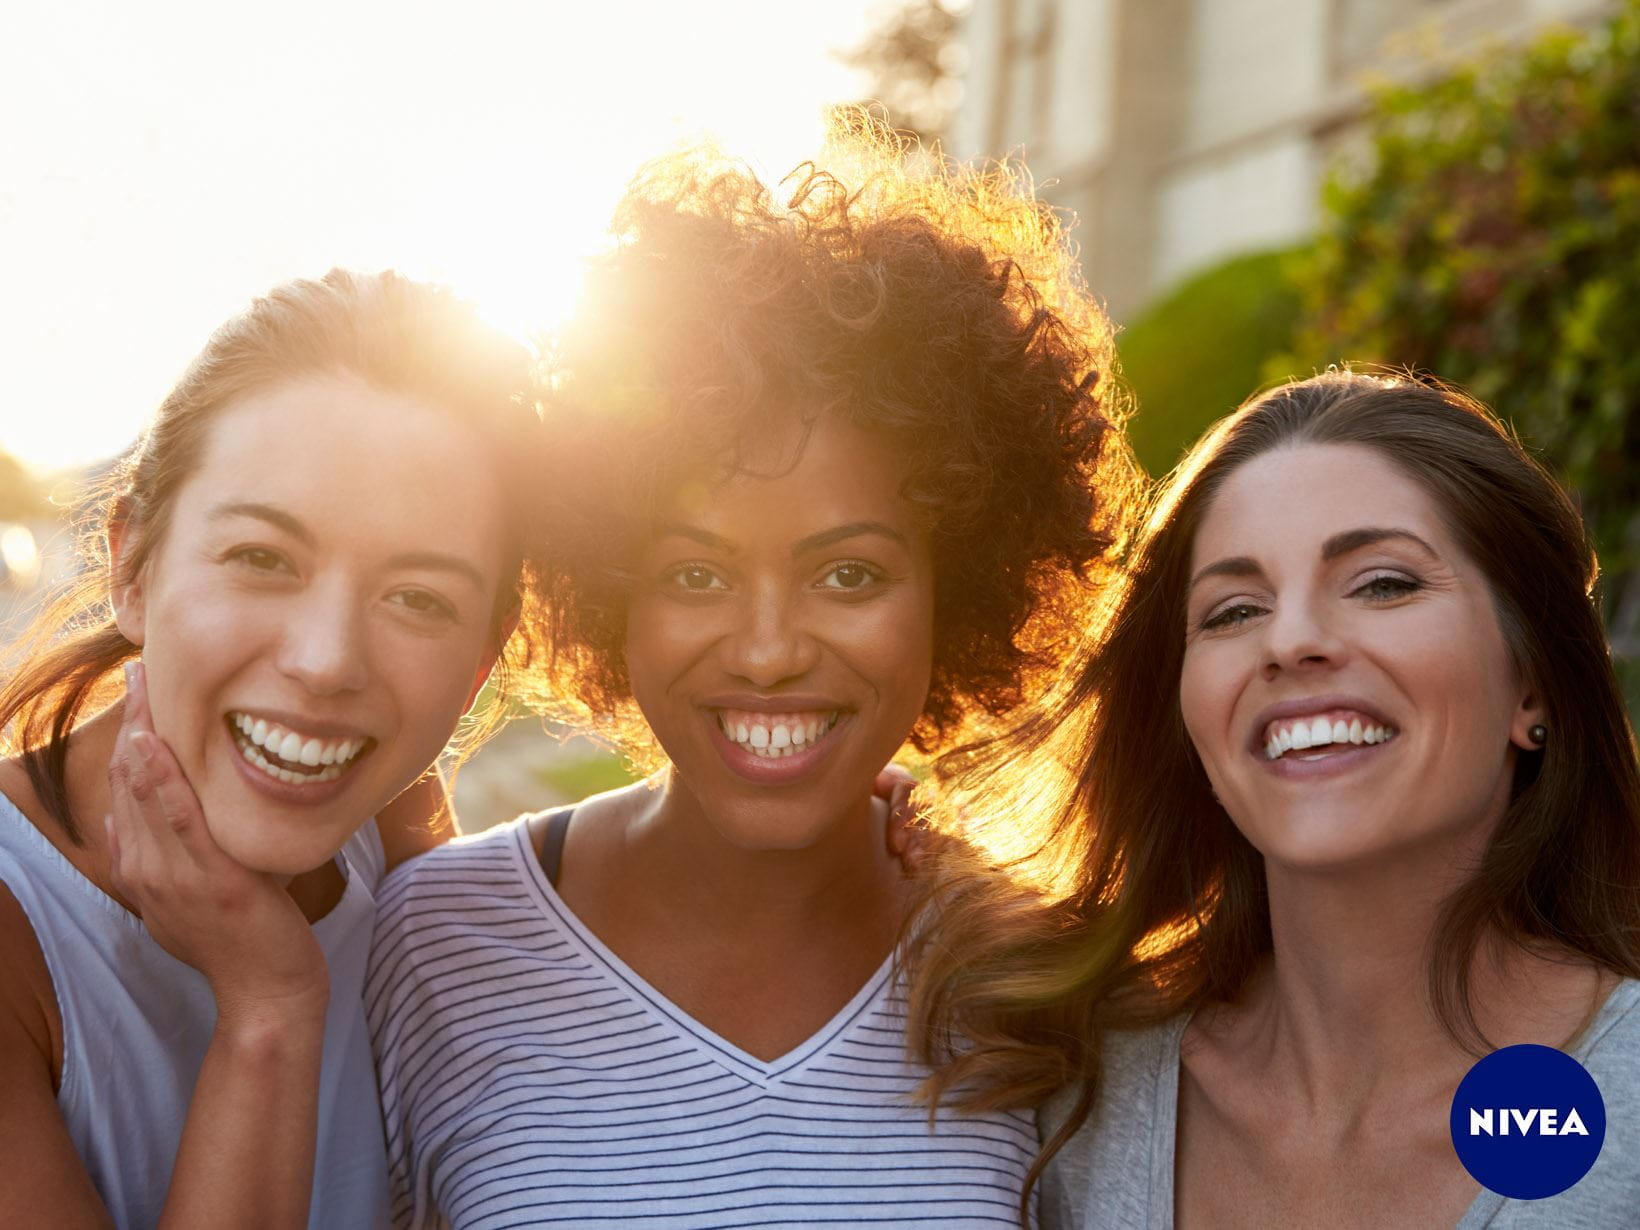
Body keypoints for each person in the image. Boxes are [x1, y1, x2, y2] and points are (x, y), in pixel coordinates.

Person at [364, 125, 1139, 1228]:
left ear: (957, 587)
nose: (769, 649)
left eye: (849, 572)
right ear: (608, 587)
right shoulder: (430, 940)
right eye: (694, 571)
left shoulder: (1028, 969)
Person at [906, 370, 1640, 1227]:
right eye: (1233, 610)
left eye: (1383, 584)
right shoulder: (1058, 1092)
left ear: (1534, 685)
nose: (1290, 641)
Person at [0, 269, 545, 1229]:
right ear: (131, 564)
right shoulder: (21, 928)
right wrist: (266, 1011)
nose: (327, 661)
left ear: (478, 669)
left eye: (419, 598)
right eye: (262, 558)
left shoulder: (389, 821)